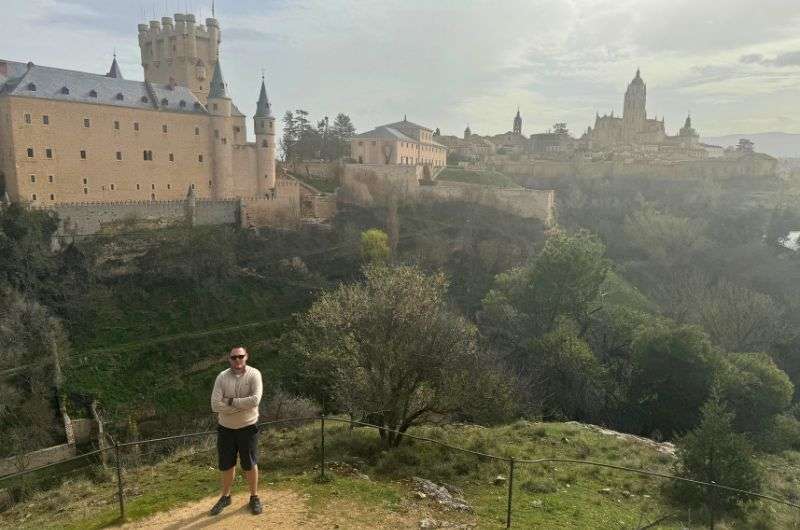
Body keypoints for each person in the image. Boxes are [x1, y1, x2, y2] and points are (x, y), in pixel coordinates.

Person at [209, 346, 264, 515]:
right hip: (226, 429)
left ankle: (254, 497)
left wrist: (230, 402)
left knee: (250, 463)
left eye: (240, 356)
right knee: (226, 464)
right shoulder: (222, 377)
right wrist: (241, 406)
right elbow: (215, 405)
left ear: (246, 356)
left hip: (248, 427)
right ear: (229, 359)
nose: (237, 360)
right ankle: (225, 497)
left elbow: (255, 400)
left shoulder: (255, 374)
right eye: (234, 357)